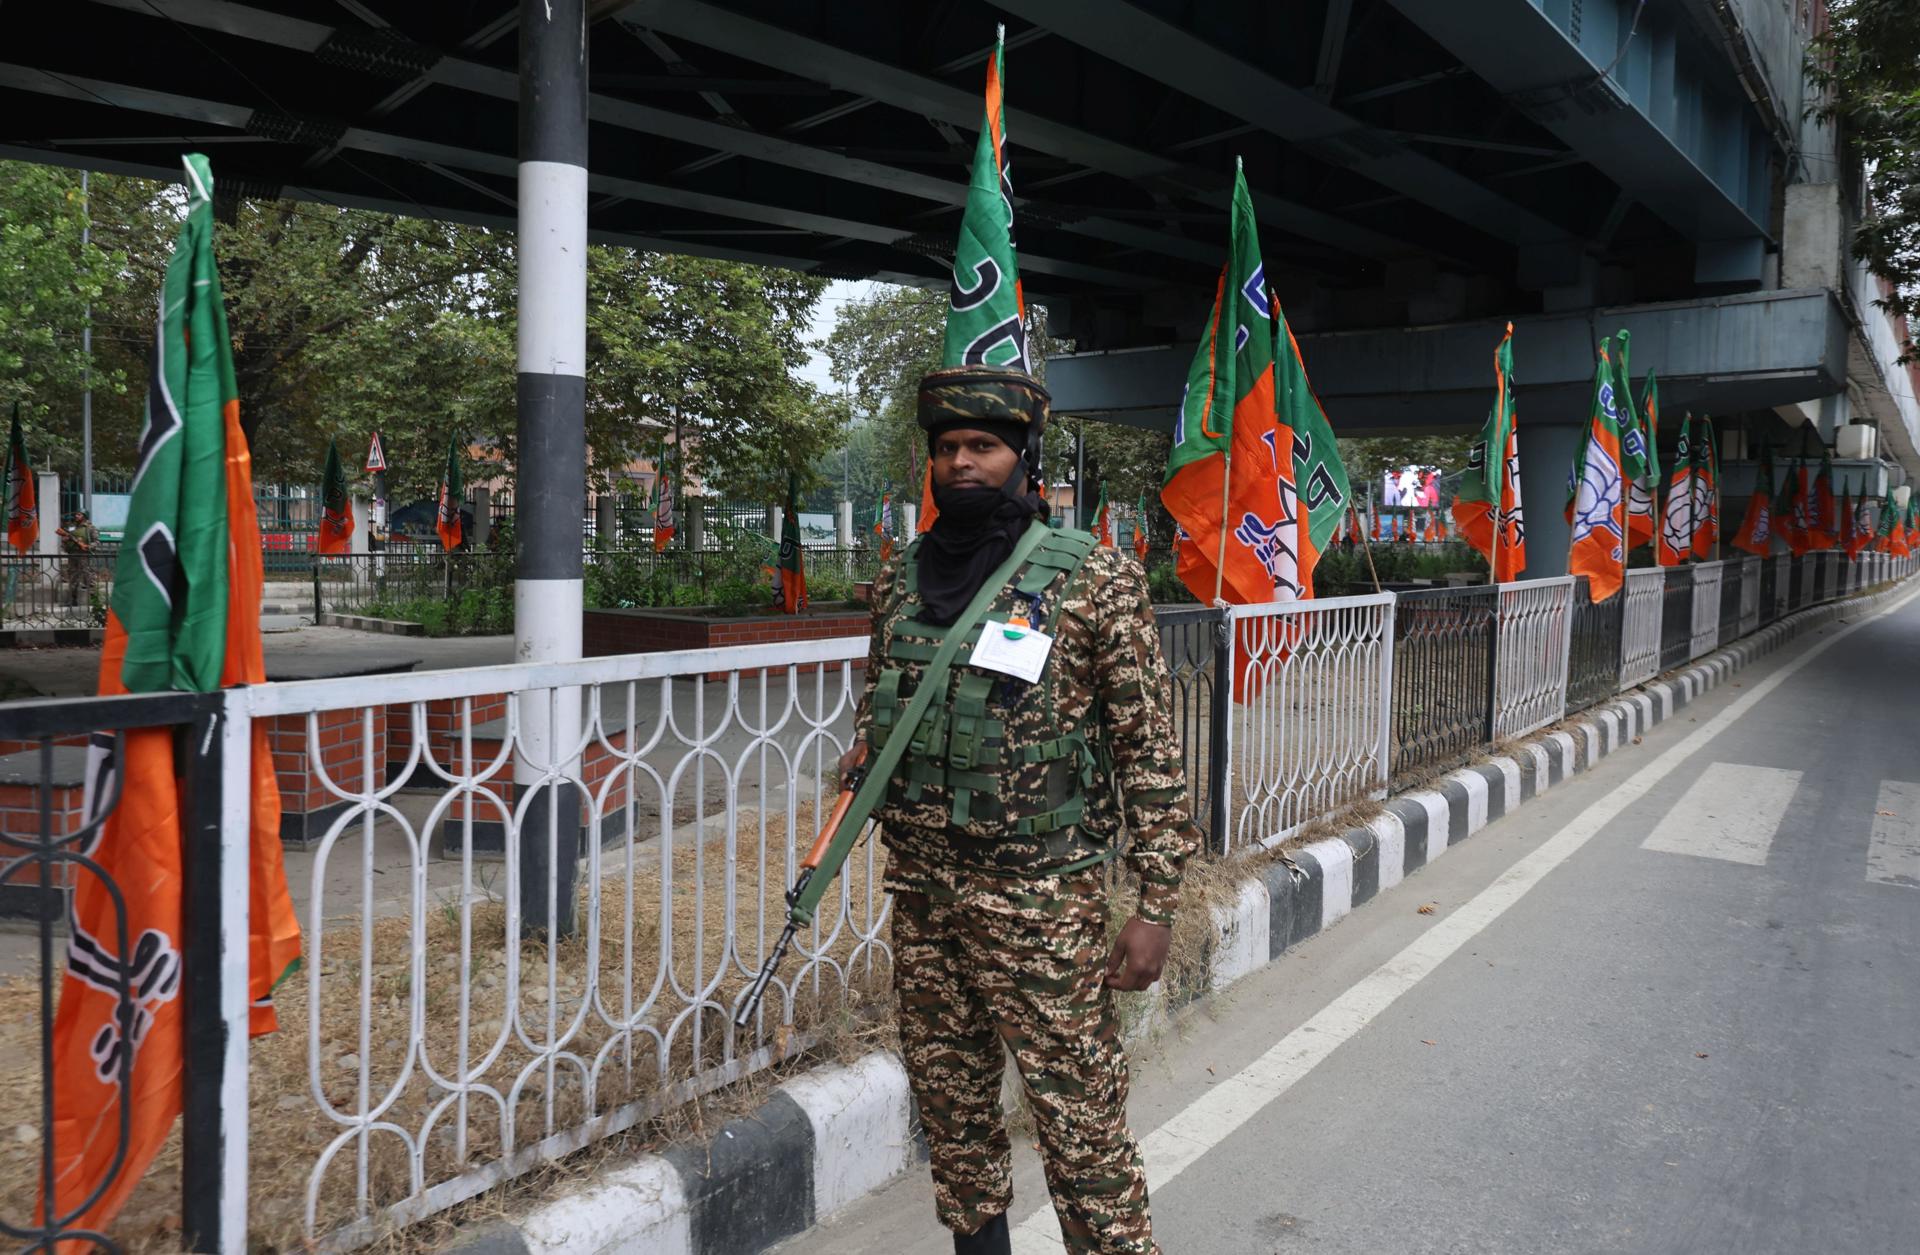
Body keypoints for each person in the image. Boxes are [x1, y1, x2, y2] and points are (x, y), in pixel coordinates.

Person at [842, 364, 1199, 1255]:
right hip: (926, 899)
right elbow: (882, 697)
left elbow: (1149, 752)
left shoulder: (1094, 580)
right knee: (954, 1117)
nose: (962, 462)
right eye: (948, 447)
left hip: (1043, 906)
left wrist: (1156, 906)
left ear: (1024, 459)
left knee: (1079, 1123)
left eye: (984, 446)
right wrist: (864, 750)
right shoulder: (902, 578)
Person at [57, 510, 98, 607]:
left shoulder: (90, 528)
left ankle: (94, 600)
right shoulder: (72, 528)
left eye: (79, 514)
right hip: (72, 555)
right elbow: (65, 542)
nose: (76, 516)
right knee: (73, 577)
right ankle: (72, 600)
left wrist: (87, 546)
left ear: (84, 516)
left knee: (88, 576)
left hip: (84, 555)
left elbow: (96, 542)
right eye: (76, 514)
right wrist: (65, 541)